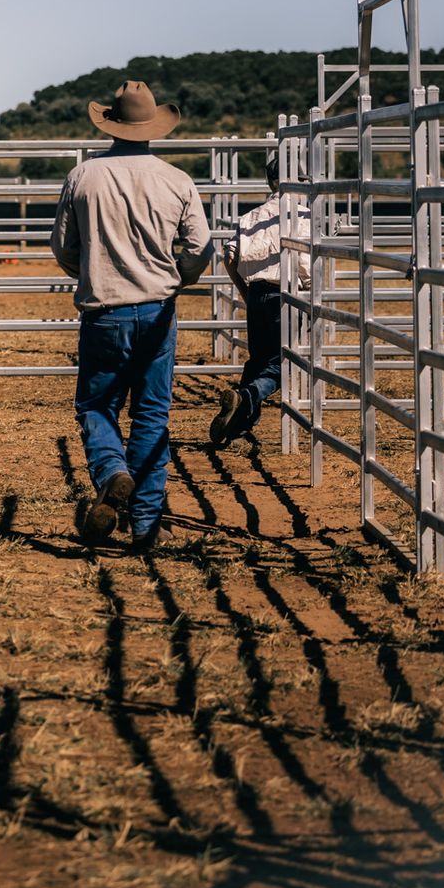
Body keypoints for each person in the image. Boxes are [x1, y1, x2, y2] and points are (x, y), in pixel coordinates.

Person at [50, 81, 214, 552]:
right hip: (158, 309)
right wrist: (178, 276)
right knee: (151, 415)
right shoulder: (176, 180)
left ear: (111, 124)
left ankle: (112, 471)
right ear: (152, 127)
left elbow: (63, 246)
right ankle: (145, 523)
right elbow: (201, 247)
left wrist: (91, 271)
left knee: (97, 406)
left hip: (104, 310)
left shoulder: (84, 176)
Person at [213, 152, 308, 447]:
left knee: (259, 360)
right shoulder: (301, 216)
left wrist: (244, 290)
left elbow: (229, 257)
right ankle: (246, 397)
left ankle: (236, 427)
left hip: (256, 292)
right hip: (288, 294)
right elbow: (305, 264)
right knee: (283, 364)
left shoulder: (250, 217)